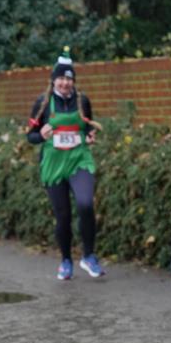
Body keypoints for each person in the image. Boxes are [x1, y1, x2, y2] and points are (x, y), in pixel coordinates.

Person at [26, 47, 105, 280]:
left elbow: (87, 126)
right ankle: (66, 261)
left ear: (73, 81)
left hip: (79, 159)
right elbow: (30, 136)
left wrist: (90, 135)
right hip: (53, 163)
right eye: (60, 78)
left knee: (86, 205)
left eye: (68, 78)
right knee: (63, 215)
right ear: (53, 81)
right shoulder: (43, 103)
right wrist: (41, 135)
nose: (64, 83)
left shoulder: (82, 101)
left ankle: (89, 257)